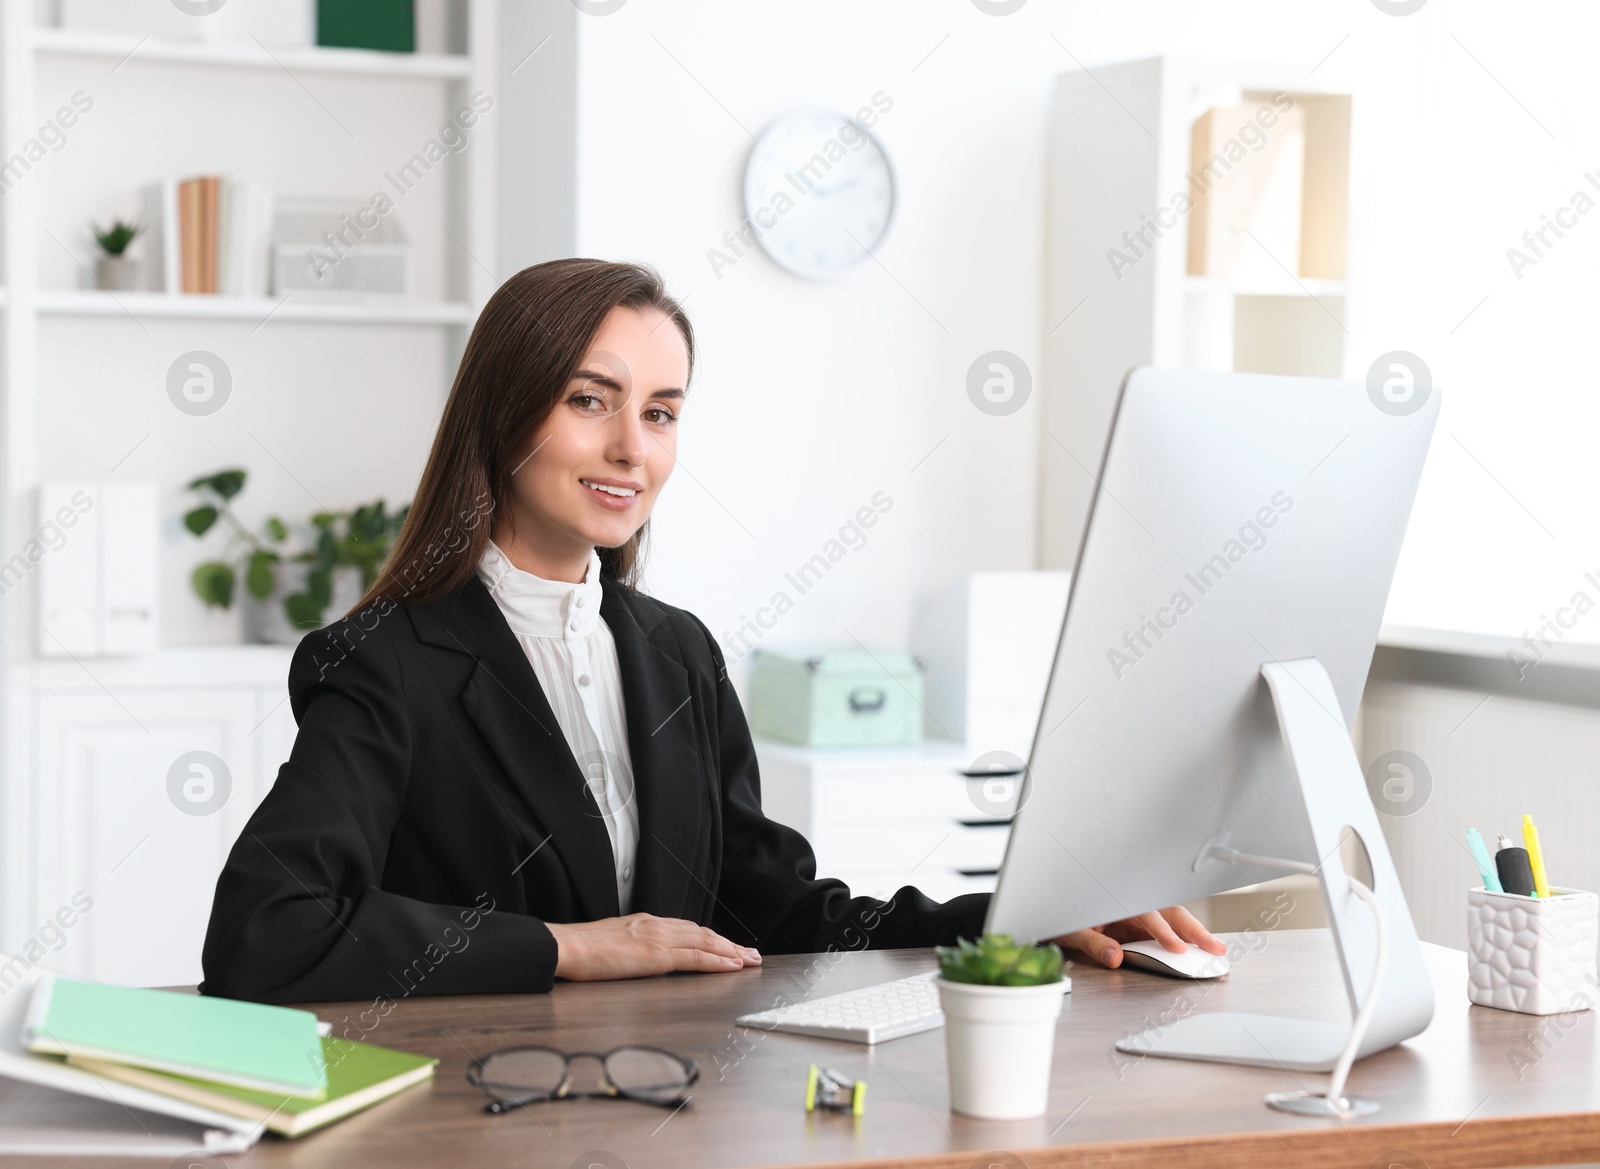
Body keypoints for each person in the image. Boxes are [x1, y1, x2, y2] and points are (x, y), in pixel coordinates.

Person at [200, 259, 1224, 1003]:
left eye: (660, 412)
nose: (628, 448)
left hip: (674, 1104)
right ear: (504, 415)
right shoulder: (385, 661)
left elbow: (776, 913)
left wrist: (1018, 919)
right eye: (588, 399)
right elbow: (265, 933)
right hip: (481, 1119)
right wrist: (569, 946)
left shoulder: (676, 653)